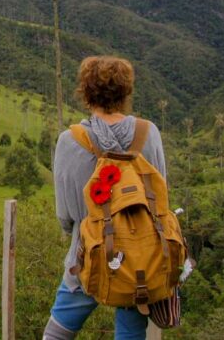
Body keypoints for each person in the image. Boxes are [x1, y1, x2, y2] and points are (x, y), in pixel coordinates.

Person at [43, 56, 167, 340]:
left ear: (85, 93)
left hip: (87, 254)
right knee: (130, 333)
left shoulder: (69, 140)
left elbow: (66, 214)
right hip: (140, 258)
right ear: (126, 92)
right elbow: (161, 198)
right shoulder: (149, 134)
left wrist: (77, 231)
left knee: (57, 333)